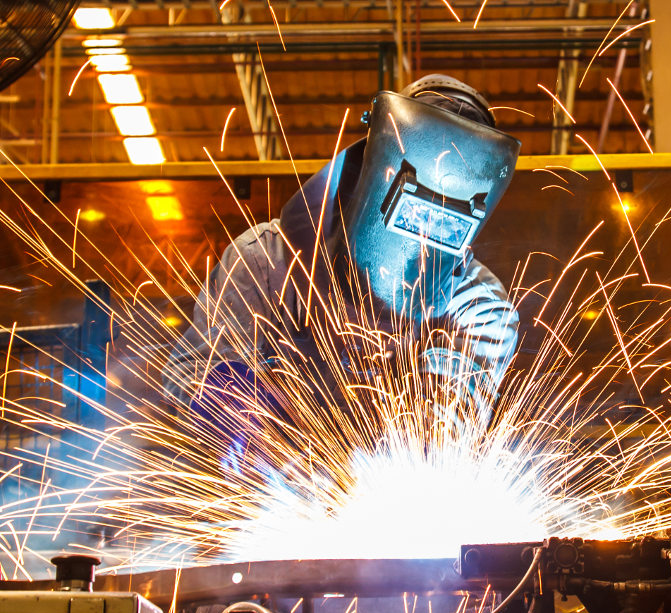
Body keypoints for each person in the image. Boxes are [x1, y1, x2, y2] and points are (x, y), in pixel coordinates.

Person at [163, 75, 521, 441]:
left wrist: (417, 448)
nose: (424, 231)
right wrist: (241, 412)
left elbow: (451, 412)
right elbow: (189, 373)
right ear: (374, 175)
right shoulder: (266, 261)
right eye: (415, 214)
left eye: (443, 224)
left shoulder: (480, 306)